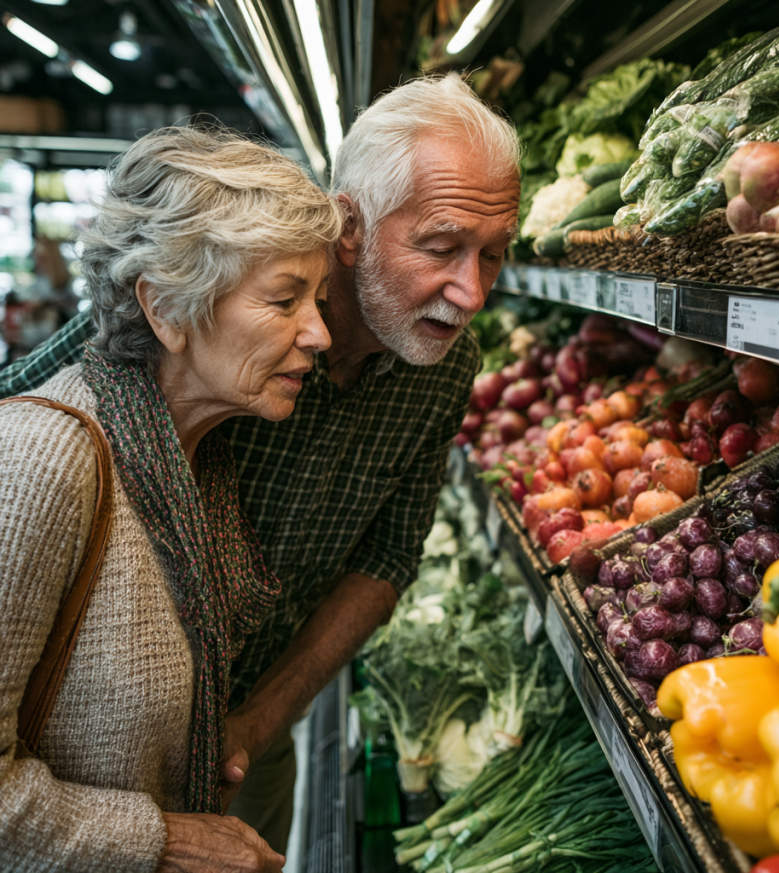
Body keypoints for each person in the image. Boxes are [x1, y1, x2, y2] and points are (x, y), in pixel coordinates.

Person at [0, 74, 522, 854]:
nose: (471, 291)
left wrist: (256, 721)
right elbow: (29, 421)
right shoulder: (155, 348)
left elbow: (386, 554)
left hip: (239, 726)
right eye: (441, 247)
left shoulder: (435, 368)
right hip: (87, 749)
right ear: (351, 224)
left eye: (495, 255)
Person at [0, 126, 343, 872]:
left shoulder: (196, 462)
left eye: (316, 298)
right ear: (165, 309)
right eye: (285, 299)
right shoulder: (45, 459)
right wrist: (163, 839)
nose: (318, 332)